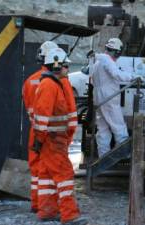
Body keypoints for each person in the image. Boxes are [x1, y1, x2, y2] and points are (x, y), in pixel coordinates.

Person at [33, 48, 86, 225]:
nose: (67, 69)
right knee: (64, 175)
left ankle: (47, 211)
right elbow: (41, 117)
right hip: (52, 139)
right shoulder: (49, 86)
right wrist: (40, 140)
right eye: (65, 66)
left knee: (48, 175)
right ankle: (69, 215)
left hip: (53, 139)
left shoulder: (54, 84)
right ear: (56, 66)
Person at [22, 41, 59, 213]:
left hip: (35, 130)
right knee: (50, 170)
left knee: (36, 168)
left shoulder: (30, 81)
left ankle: (36, 204)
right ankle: (48, 207)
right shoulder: (57, 82)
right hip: (51, 134)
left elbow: (29, 106)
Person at [90, 38, 142, 157]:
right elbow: (116, 74)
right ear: (117, 52)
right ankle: (124, 155)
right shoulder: (107, 60)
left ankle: (103, 157)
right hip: (108, 97)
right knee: (118, 126)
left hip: (98, 97)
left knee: (103, 129)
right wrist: (133, 77)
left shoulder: (98, 61)